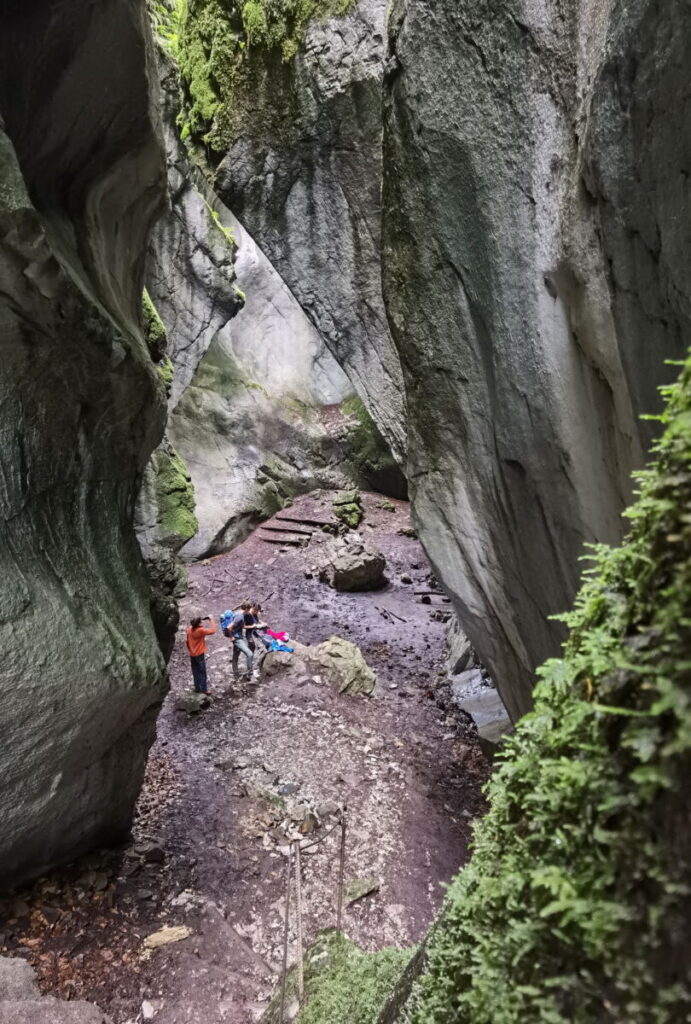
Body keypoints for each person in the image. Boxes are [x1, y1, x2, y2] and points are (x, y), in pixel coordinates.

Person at [186, 615, 215, 694]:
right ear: (198, 623)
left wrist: (190, 650)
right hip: (199, 654)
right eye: (200, 621)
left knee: (195, 671)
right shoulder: (200, 630)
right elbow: (212, 630)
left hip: (192, 654)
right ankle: (204, 689)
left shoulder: (189, 629)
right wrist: (211, 619)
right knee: (202, 672)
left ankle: (197, 688)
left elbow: (187, 642)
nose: (202, 622)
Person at [229, 602, 255, 681]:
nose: (249, 611)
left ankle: (236, 674)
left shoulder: (240, 614)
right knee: (249, 654)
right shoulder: (239, 617)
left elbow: (243, 626)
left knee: (236, 655)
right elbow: (229, 627)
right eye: (249, 609)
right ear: (246, 609)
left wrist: (252, 626)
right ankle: (250, 674)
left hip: (238, 637)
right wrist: (231, 637)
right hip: (237, 639)